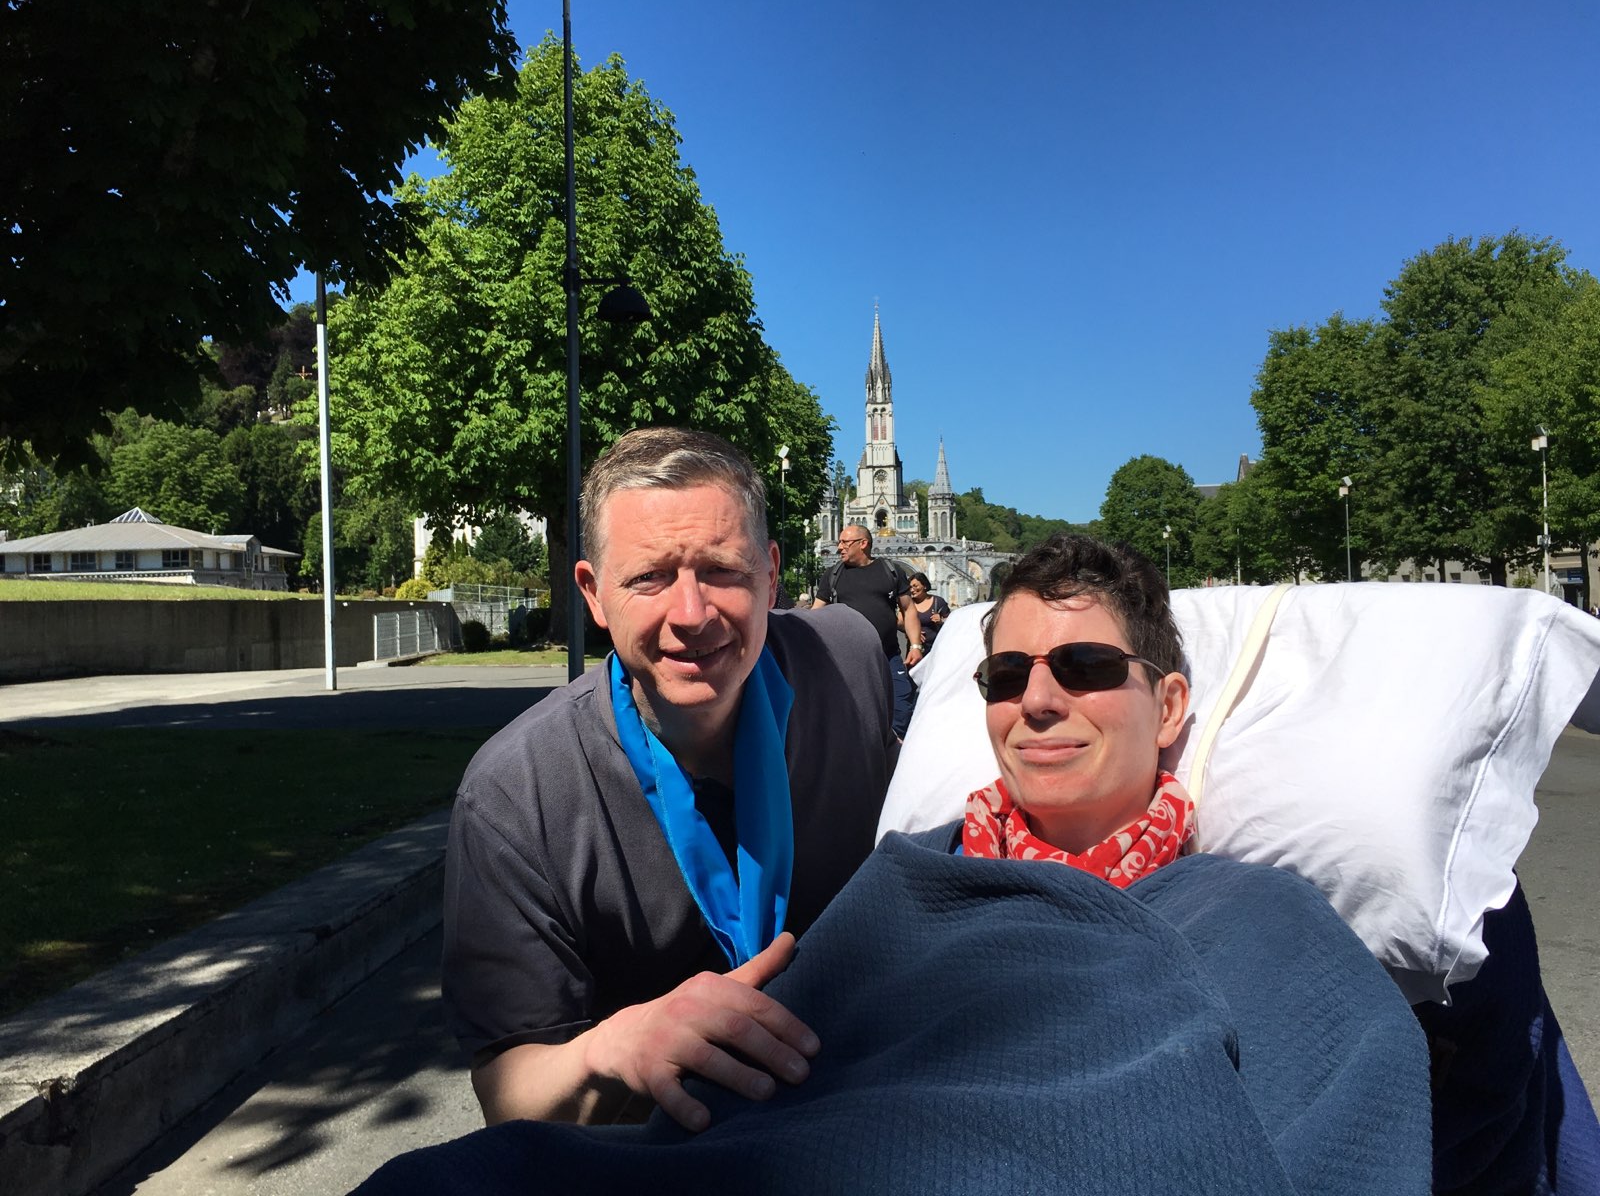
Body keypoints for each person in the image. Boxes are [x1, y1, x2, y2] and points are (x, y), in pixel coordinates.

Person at [356, 534, 1432, 1195]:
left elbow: (1348, 1137)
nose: (1037, 699)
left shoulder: (1264, 918)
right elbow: (776, 1113)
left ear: (1171, 705)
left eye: (1085, 666)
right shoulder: (906, 880)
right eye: (1005, 675)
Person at [442, 427, 897, 1134]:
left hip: (875, 1120)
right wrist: (616, 1049)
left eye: (722, 570)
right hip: (661, 1158)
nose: (692, 614)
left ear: (771, 574)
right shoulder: (516, 795)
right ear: (594, 594)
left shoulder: (850, 661)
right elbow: (508, 1095)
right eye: (649, 577)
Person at [812, 527, 922, 736]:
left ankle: (894, 746)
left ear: (863, 543)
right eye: (839, 542)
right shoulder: (833, 574)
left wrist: (915, 645)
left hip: (887, 655)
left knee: (902, 704)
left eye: (845, 542)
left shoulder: (890, 570)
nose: (839, 547)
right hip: (846, 659)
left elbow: (908, 609)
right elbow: (816, 612)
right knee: (851, 710)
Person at [906, 571, 951, 655]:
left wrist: (941, 621)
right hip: (915, 650)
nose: (912, 590)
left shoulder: (938, 601)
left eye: (915, 586)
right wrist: (913, 633)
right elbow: (900, 622)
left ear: (925, 586)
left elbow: (951, 621)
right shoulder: (908, 604)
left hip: (936, 648)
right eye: (910, 587)